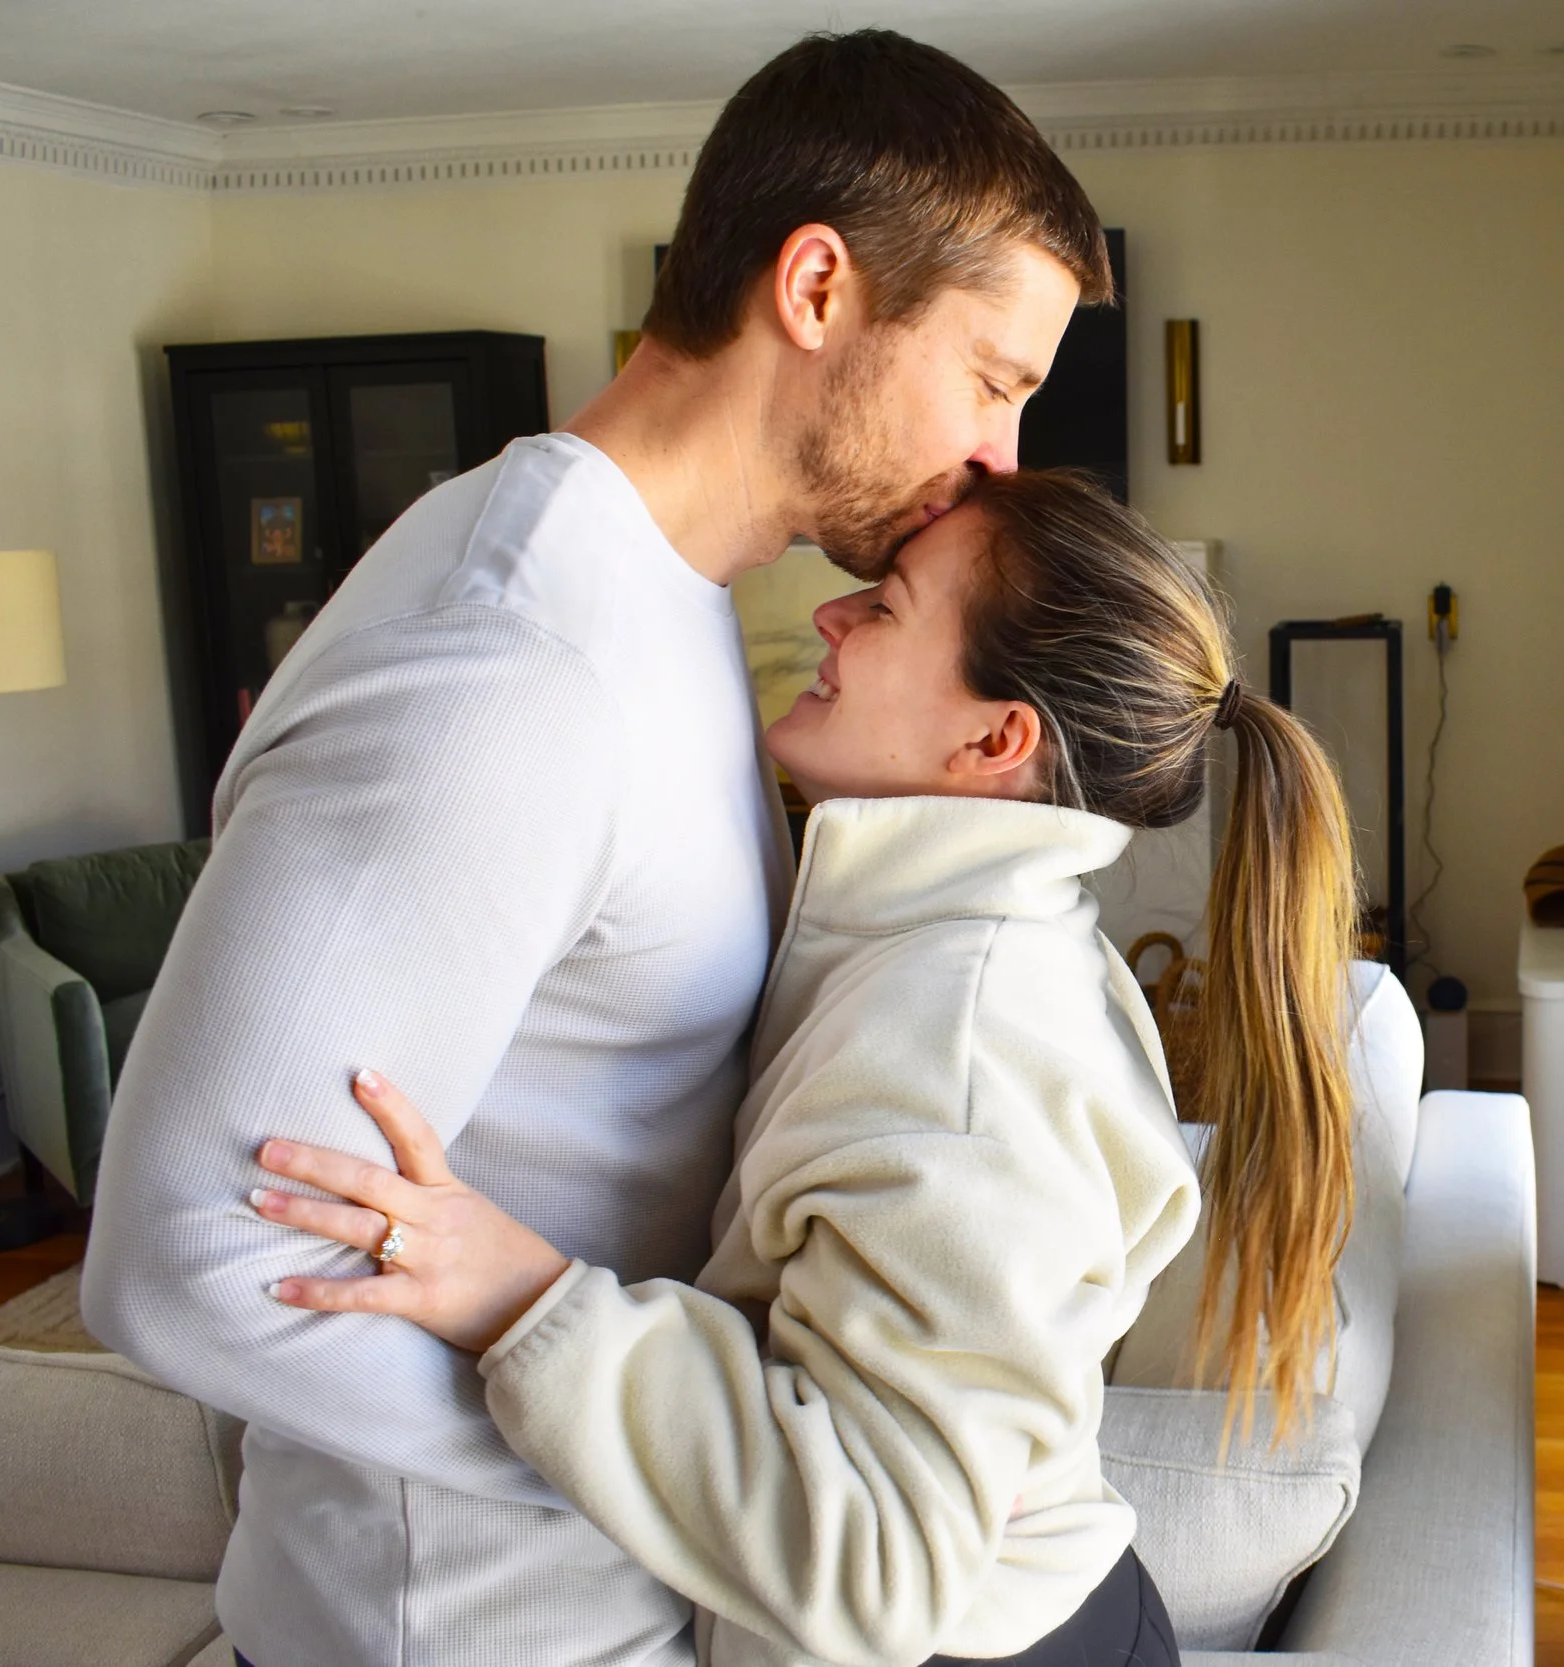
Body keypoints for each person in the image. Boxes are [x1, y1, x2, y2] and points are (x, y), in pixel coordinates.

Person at [80, 31, 1110, 1667]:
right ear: (821, 286)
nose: (1000, 453)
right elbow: (185, 1257)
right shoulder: (503, 669)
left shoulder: (665, 592)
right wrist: (684, 1473)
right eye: (995, 378)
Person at [245, 471, 1361, 1667]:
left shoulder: (962, 1043)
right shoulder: (929, 942)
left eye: (885, 606)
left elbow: (885, 1562)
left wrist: (526, 1300)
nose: (830, 618)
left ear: (995, 737)